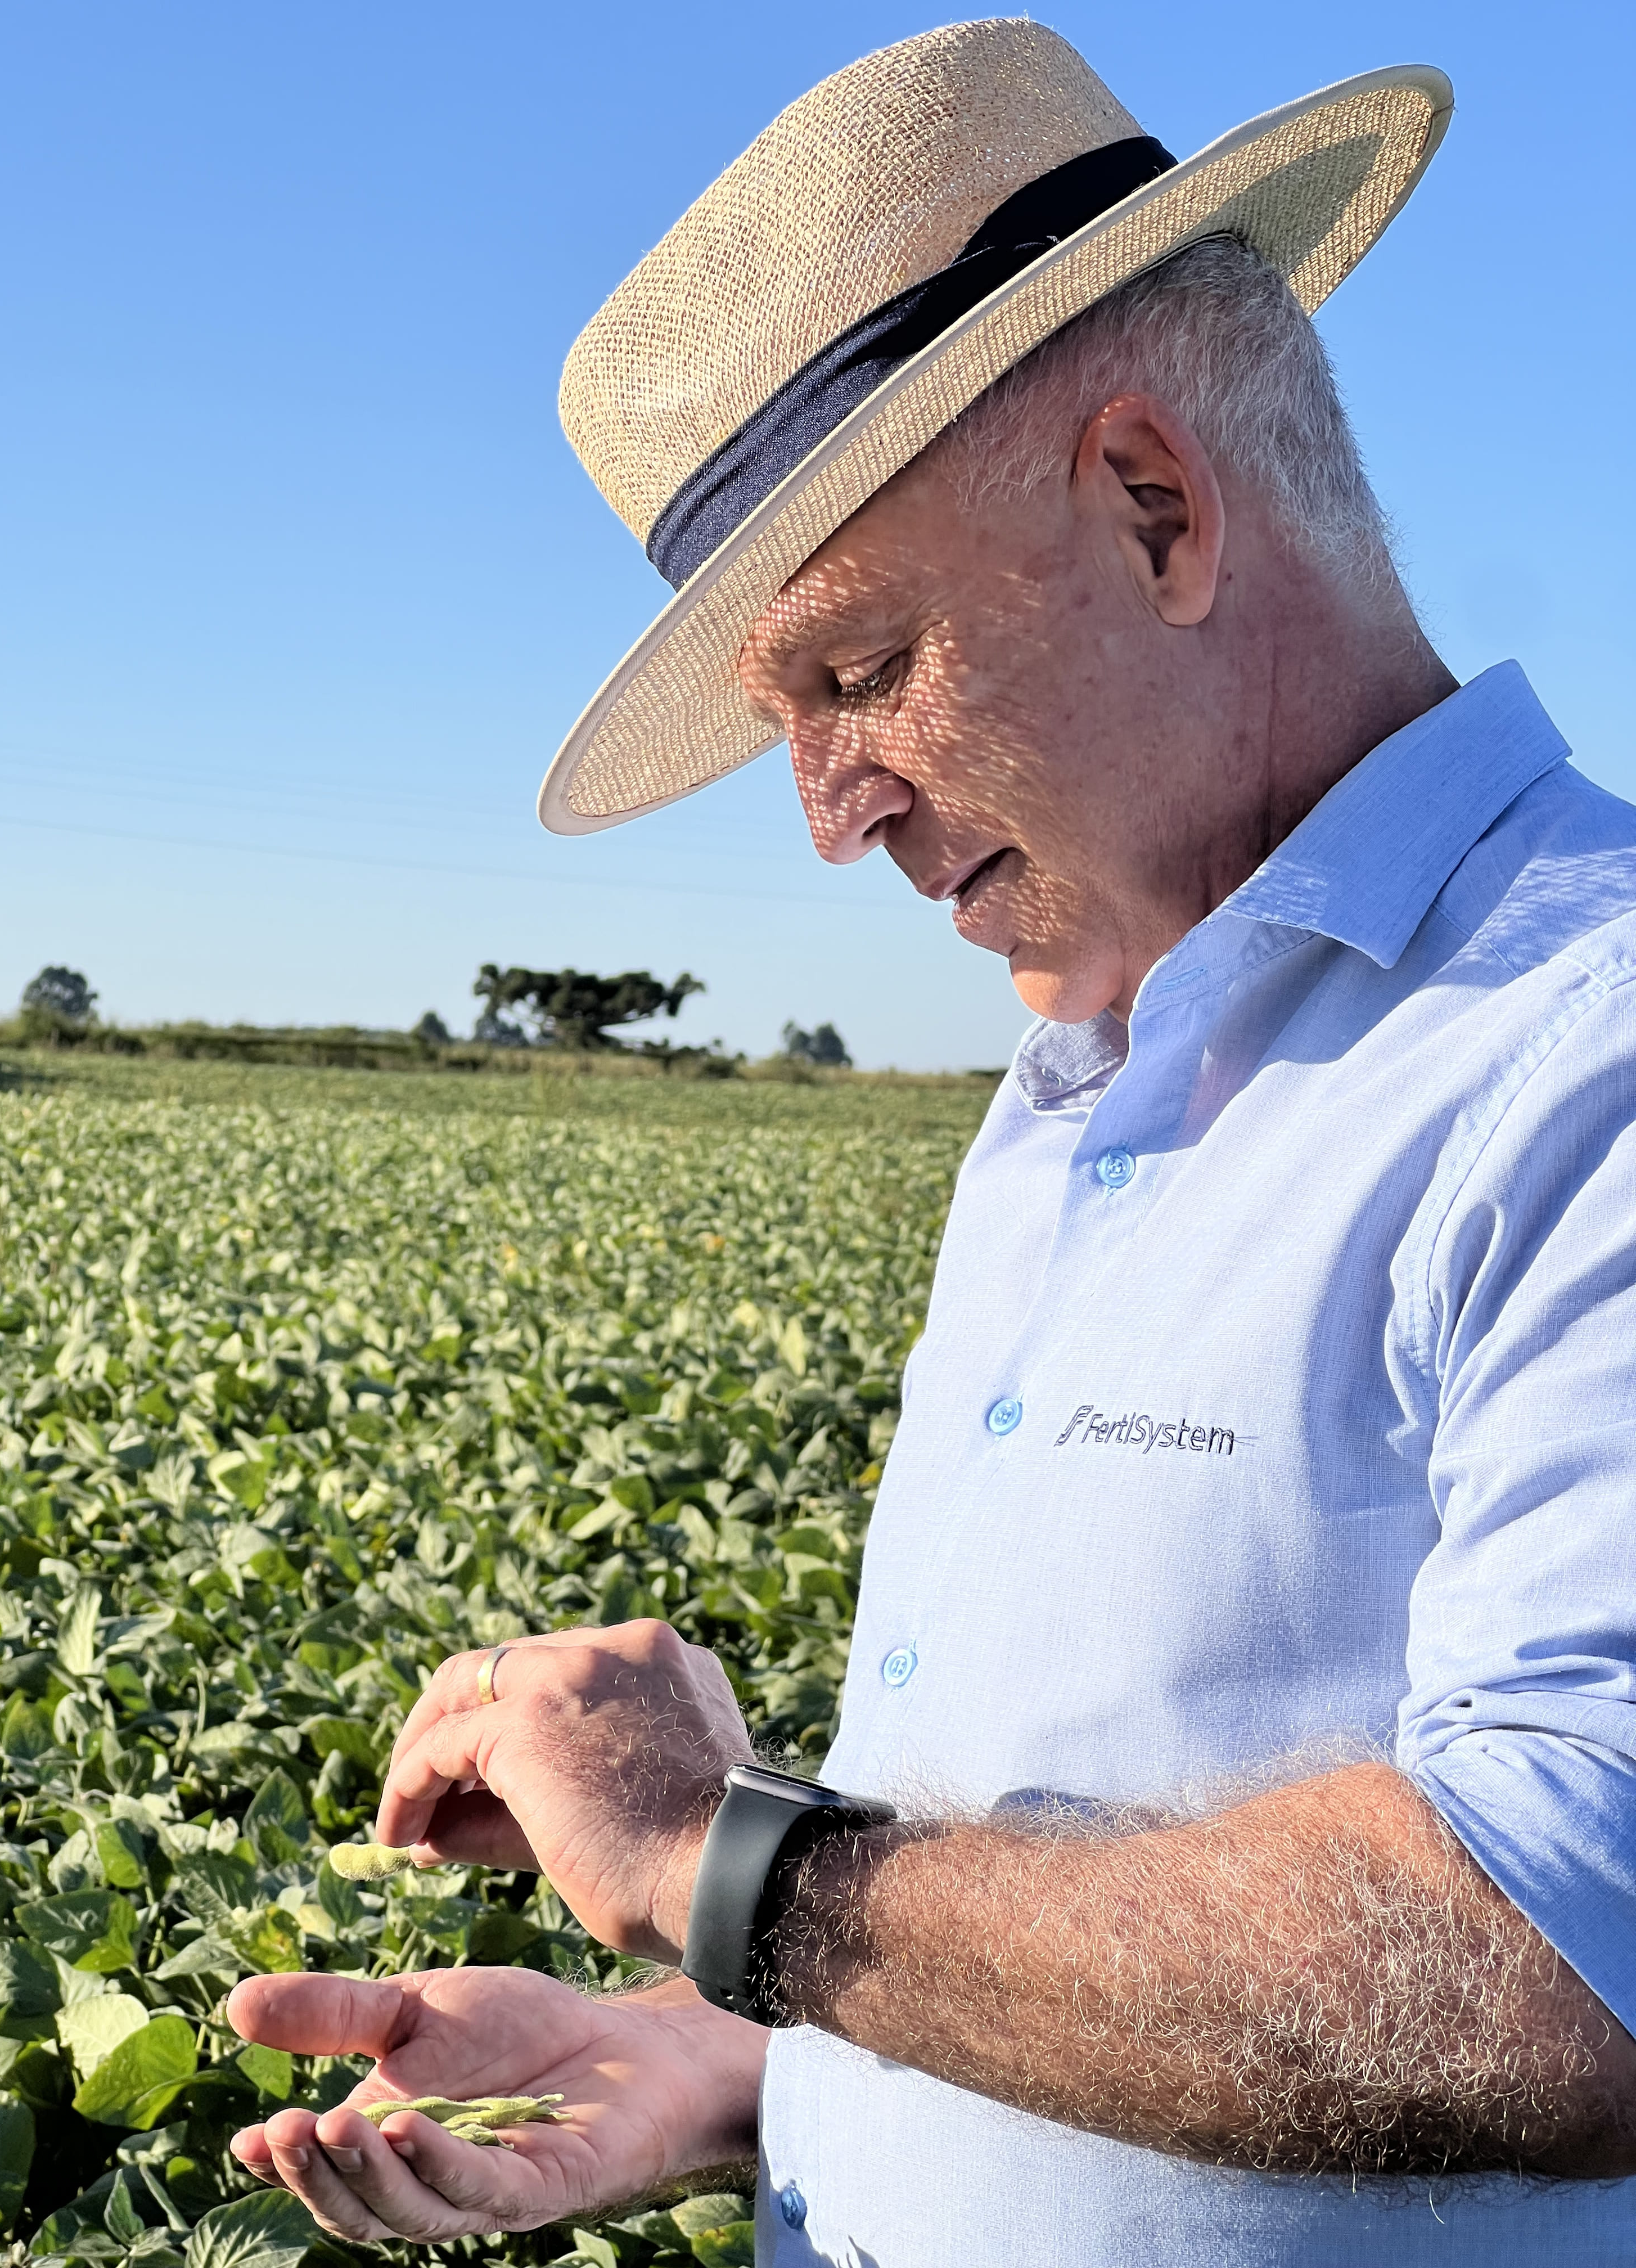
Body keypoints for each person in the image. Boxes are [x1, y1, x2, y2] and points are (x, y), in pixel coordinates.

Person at [229, 20, 1636, 2262]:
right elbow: (1104, 1846)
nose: (828, 813)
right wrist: (741, 2067)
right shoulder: (1070, 1088)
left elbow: (1570, 1972)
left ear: (1159, 510)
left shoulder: (1588, 1045)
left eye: (859, 673)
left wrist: (728, 1857)